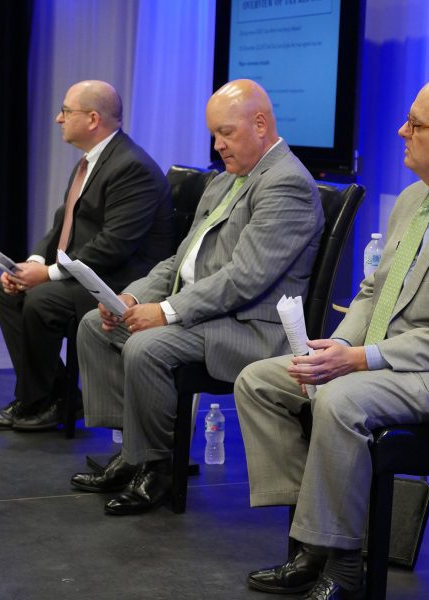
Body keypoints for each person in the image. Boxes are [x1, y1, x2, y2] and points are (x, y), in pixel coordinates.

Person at [234, 74, 429, 600]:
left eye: (415, 124)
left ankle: (344, 565)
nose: (400, 131)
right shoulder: (416, 198)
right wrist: (335, 349)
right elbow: (374, 290)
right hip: (392, 361)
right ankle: (314, 541)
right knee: (259, 381)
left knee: (341, 399)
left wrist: (358, 360)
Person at [71, 79, 324, 514]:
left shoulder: (286, 184)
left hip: (250, 328)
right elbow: (180, 261)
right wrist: (131, 298)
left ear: (260, 124)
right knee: (97, 326)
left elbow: (245, 278)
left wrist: (167, 311)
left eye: (226, 132)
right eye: (214, 134)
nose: (218, 144)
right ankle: (134, 452)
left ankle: (160, 470)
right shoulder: (226, 180)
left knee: (147, 346)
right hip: (210, 314)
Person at [0, 80, 173, 432]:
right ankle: (53, 397)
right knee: (8, 293)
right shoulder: (91, 161)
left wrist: (48, 275)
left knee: (42, 299)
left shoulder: (132, 167)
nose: (58, 118)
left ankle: (39, 403)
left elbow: (113, 245)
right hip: (90, 270)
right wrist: (33, 264)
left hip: (123, 280)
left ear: (93, 119)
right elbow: (62, 223)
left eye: (66, 111)